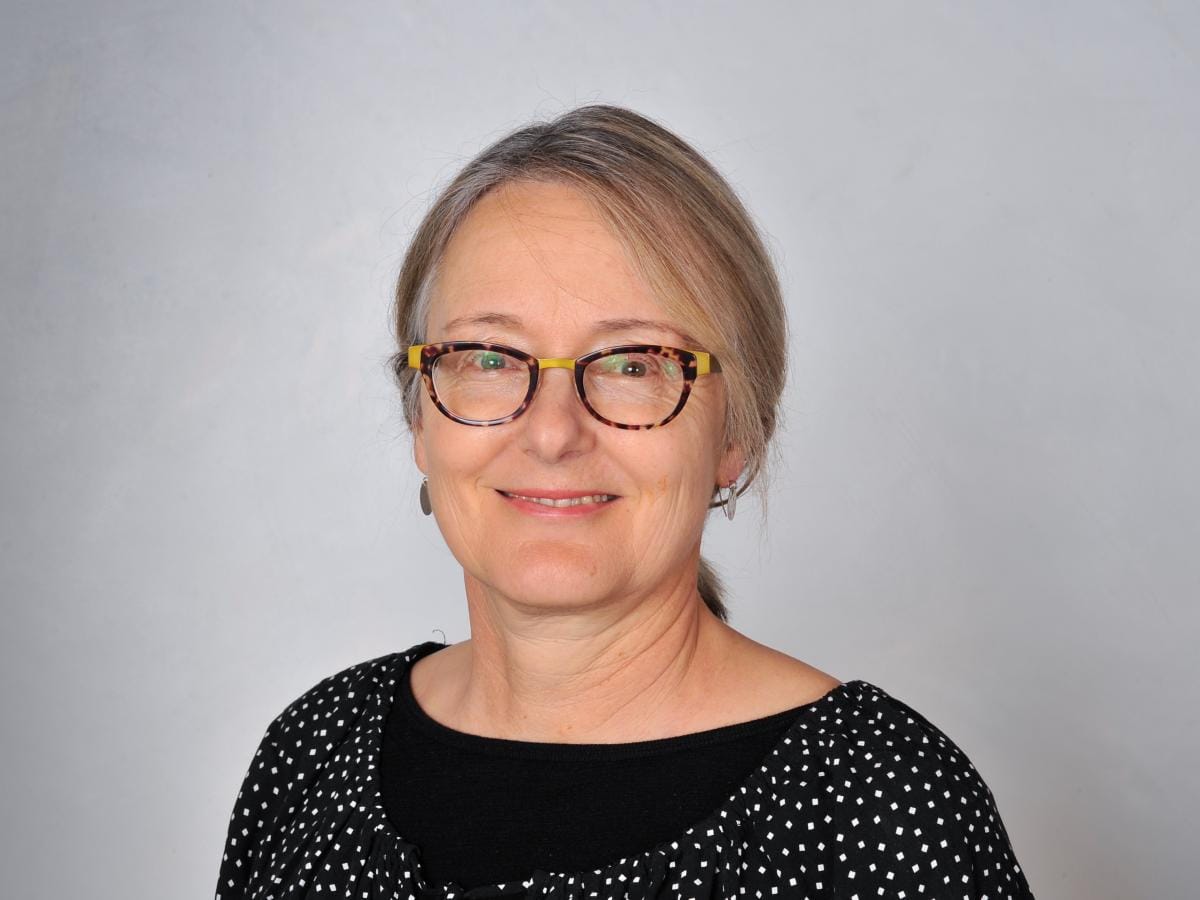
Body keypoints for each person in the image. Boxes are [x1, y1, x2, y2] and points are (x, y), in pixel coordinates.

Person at [214, 104, 1036, 899]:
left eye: (634, 363)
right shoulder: (313, 754)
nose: (552, 433)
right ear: (421, 417)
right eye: (490, 358)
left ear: (734, 435)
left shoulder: (879, 807)